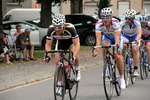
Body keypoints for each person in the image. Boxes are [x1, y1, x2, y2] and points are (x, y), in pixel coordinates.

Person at [45, 13, 81, 95]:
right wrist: (48, 56)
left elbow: (77, 44)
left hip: (70, 43)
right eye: (55, 27)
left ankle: (77, 70)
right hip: (60, 43)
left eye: (59, 27)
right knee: (58, 62)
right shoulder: (50, 30)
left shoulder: (71, 28)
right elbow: (48, 44)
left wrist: (74, 57)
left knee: (73, 53)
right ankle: (60, 85)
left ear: (64, 25)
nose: (57, 29)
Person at [92, 8, 126, 89]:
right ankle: (106, 65)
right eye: (103, 17)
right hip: (107, 38)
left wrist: (117, 48)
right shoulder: (99, 24)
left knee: (117, 56)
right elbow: (98, 39)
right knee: (105, 46)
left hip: (117, 38)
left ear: (111, 17)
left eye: (107, 17)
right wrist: (96, 50)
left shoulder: (115, 23)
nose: (105, 19)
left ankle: (122, 78)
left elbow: (117, 38)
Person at [120, 9, 142, 76]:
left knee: (134, 49)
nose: (127, 20)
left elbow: (139, 33)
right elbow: (118, 33)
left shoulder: (137, 23)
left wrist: (137, 40)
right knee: (123, 46)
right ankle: (125, 59)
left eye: (129, 19)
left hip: (134, 36)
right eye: (126, 18)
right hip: (125, 36)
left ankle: (135, 69)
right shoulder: (122, 23)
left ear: (133, 19)